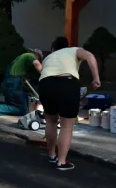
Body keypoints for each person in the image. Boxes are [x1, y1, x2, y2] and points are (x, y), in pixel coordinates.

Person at [39, 36, 101, 171]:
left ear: (52, 48)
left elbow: (44, 72)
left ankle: (51, 155)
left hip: (45, 84)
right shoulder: (74, 50)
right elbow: (90, 56)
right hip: (67, 83)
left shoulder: (49, 57)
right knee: (66, 126)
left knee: (50, 121)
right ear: (67, 46)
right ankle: (61, 162)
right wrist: (96, 78)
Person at [0, 49, 43, 116]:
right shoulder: (30, 56)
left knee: (13, 104)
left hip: (7, 83)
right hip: (13, 84)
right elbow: (38, 65)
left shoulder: (19, 59)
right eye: (38, 59)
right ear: (36, 55)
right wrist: (47, 73)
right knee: (23, 110)